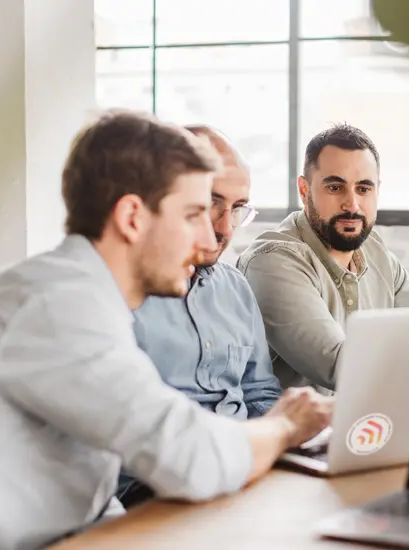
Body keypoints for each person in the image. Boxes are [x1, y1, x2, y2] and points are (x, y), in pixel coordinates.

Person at [0, 110, 331, 549]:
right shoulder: (57, 307)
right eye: (193, 215)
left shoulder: (86, 298)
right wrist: (285, 426)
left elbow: (89, 486)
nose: (211, 238)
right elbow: (193, 458)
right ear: (131, 218)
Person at [115, 125, 284, 508]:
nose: (224, 228)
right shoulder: (119, 295)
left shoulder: (234, 287)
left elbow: (258, 391)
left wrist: (291, 435)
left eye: (239, 209)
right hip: (159, 486)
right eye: (212, 204)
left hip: (243, 465)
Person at [237, 123, 409, 391]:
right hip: (300, 432)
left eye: (364, 189)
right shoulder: (273, 260)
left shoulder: (374, 250)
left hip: (366, 424)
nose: (352, 205)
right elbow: (341, 367)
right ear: (304, 189)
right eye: (335, 187)